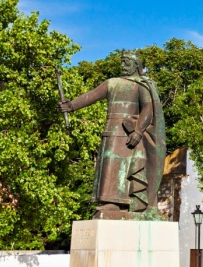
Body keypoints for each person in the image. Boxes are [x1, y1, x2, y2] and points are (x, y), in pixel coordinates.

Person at [60, 52, 167, 219]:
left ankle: (125, 203)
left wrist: (139, 131)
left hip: (129, 133)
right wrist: (71, 105)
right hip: (111, 130)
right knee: (109, 165)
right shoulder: (111, 83)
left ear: (136, 65)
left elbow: (147, 109)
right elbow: (91, 96)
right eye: (122, 62)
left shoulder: (141, 85)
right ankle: (110, 202)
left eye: (126, 63)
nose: (122, 66)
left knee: (129, 169)